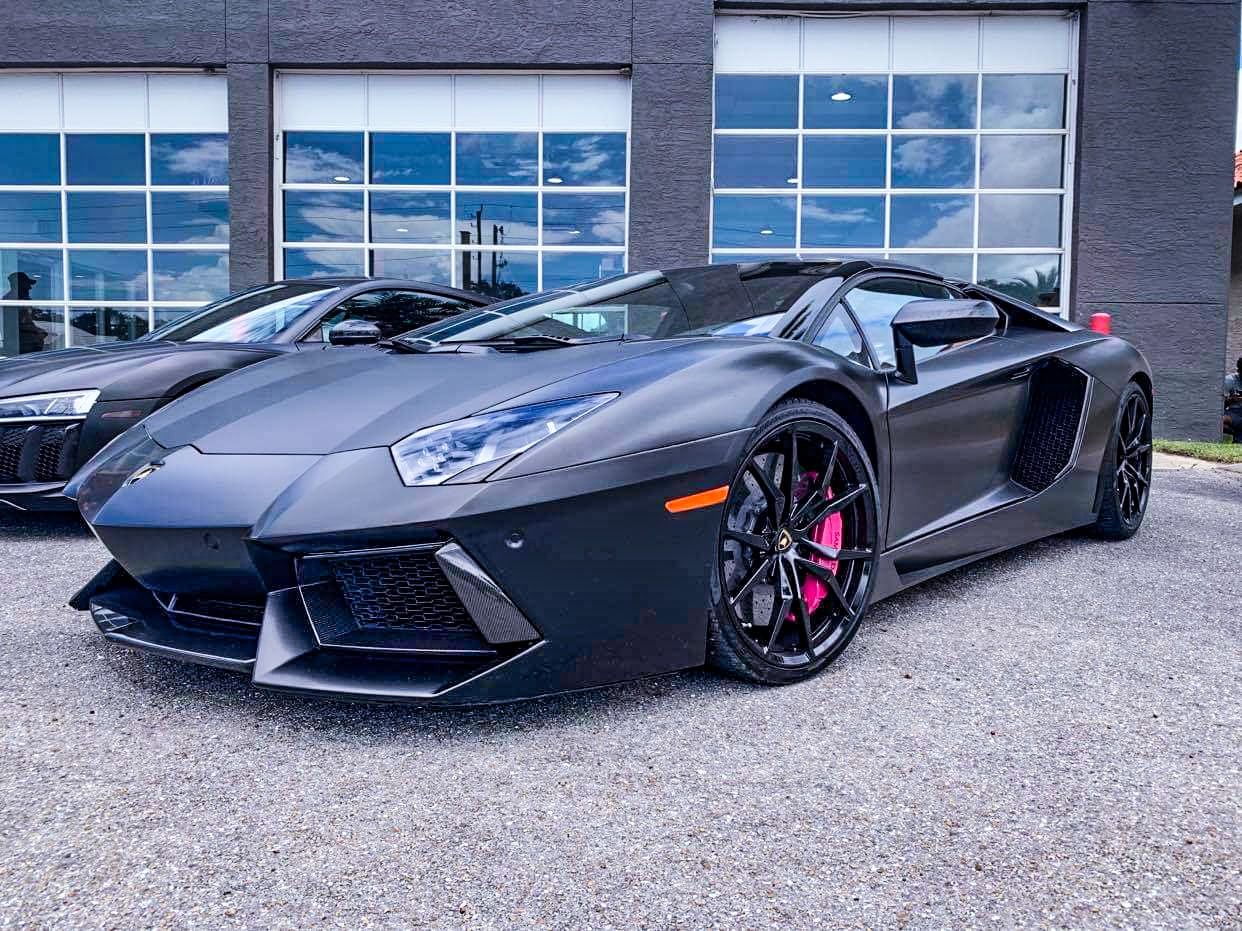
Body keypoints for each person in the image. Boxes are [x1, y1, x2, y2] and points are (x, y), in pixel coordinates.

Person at [3, 271, 48, 354]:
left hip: (25, 341)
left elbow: (28, 320)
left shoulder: (20, 299)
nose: (30, 288)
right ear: (19, 284)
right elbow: (18, 323)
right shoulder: (11, 300)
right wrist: (38, 331)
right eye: (27, 284)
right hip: (22, 343)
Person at [1225, 356, 1242, 441]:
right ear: (1239, 370)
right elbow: (1217, 405)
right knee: (1222, 419)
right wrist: (1232, 400)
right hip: (1233, 412)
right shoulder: (1229, 380)